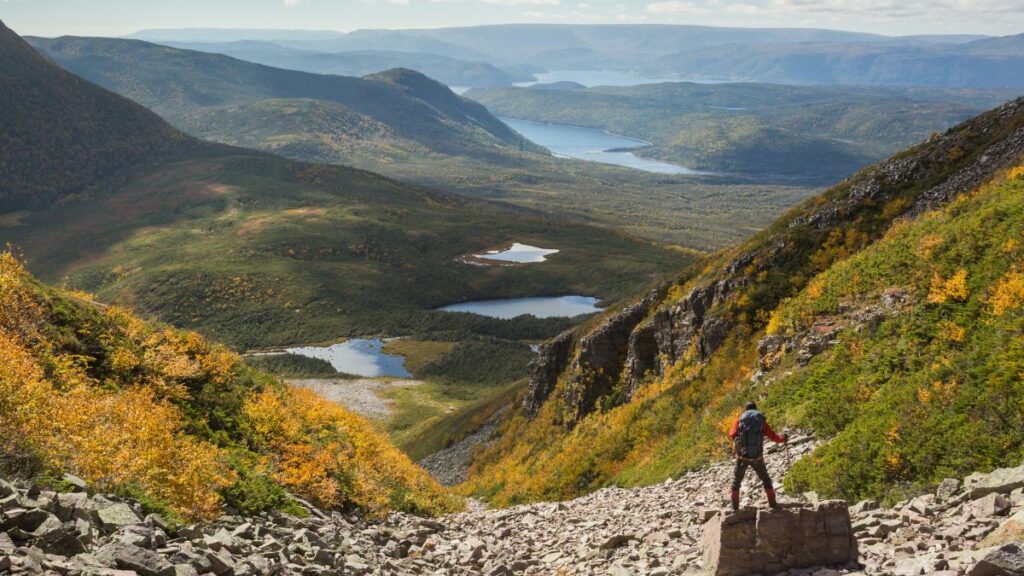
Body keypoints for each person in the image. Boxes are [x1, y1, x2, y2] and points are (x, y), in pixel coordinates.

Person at [728, 401, 788, 511]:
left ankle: (734, 508)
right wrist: (783, 439)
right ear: (756, 409)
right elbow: (773, 437)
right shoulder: (760, 422)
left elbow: (732, 434)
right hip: (757, 457)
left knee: (736, 481)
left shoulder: (739, 421)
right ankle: (773, 505)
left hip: (742, 457)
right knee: (766, 480)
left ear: (745, 410)